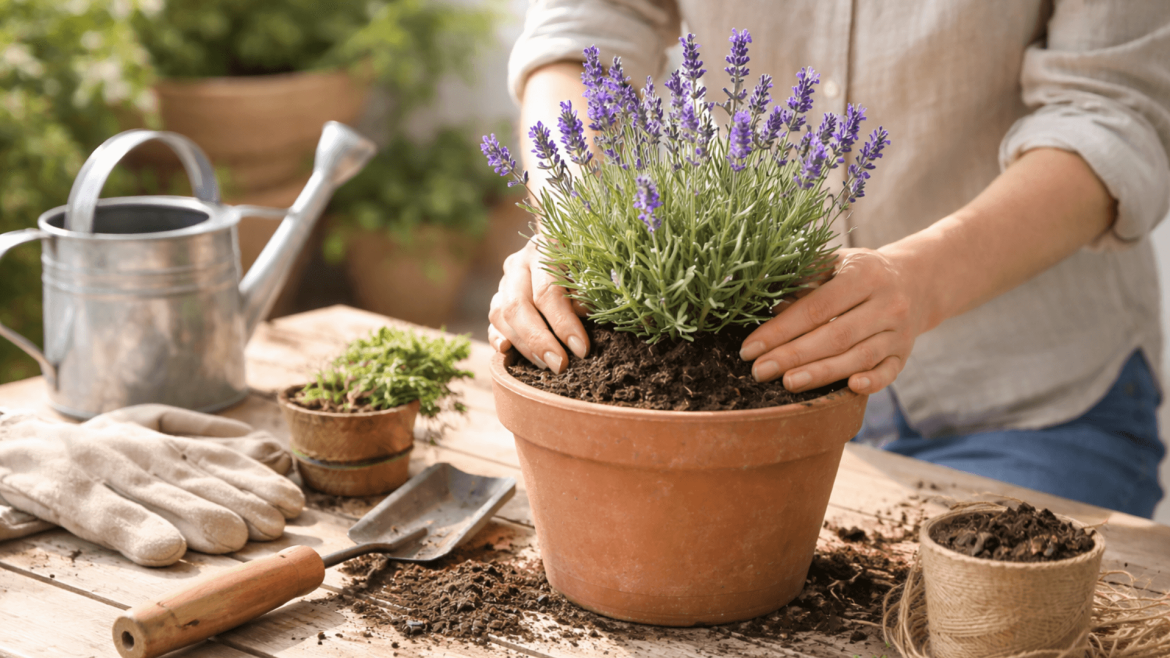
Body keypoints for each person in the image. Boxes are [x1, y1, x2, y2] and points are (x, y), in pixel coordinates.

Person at [487, 1, 1170, 518]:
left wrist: (920, 281)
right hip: (754, 395)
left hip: (1025, 394)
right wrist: (574, 222)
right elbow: (585, 28)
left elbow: (1113, 111)